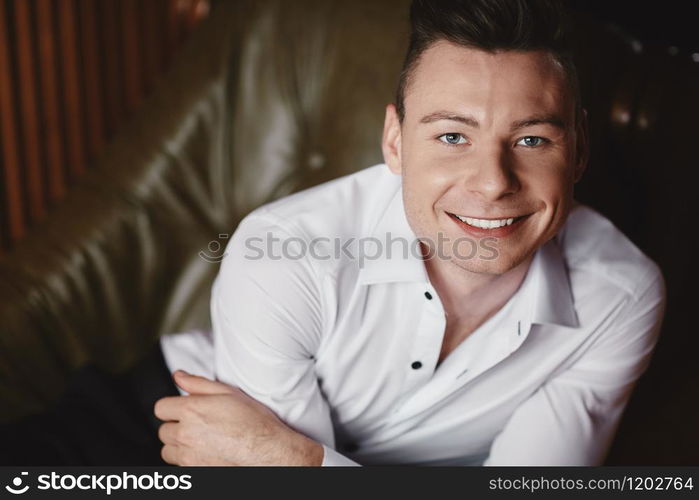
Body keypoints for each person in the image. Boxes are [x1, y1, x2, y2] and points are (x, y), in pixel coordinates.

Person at [1, 0, 665, 466]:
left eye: (529, 139)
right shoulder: (279, 252)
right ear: (394, 142)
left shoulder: (619, 295)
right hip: (180, 428)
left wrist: (296, 463)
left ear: (575, 154)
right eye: (451, 136)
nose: (492, 181)